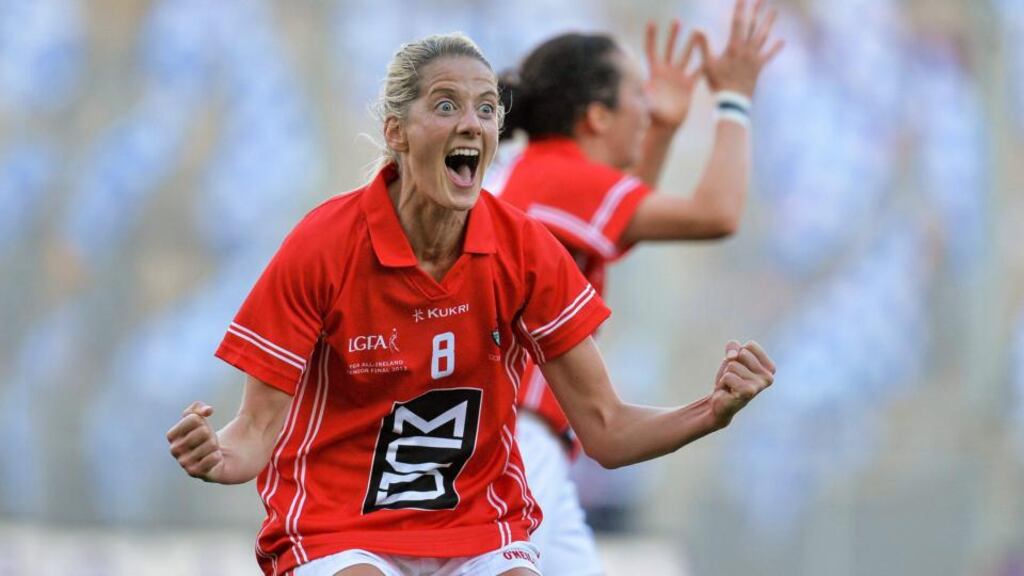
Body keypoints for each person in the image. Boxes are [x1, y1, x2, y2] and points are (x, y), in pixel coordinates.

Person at [166, 32, 775, 576]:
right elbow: (255, 433)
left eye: (487, 108)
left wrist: (712, 410)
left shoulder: (523, 245)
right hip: (341, 528)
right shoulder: (324, 244)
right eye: (446, 105)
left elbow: (608, 429)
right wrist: (217, 453)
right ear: (395, 132)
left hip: (480, 522)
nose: (472, 123)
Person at [494, 1, 782, 573]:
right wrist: (734, 98)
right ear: (596, 117)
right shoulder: (558, 176)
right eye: (637, 97)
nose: (647, 108)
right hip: (516, 437)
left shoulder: (542, 175)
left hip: (521, 436)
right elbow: (716, 213)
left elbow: (615, 229)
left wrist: (666, 131)